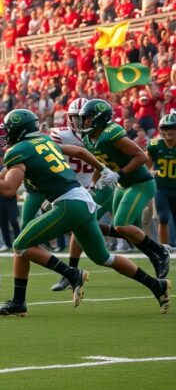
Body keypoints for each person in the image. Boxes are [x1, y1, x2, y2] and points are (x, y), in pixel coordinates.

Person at [0, 109, 170, 316]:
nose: (5, 134)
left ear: (19, 130)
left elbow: (8, 190)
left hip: (69, 204)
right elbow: (79, 152)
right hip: (81, 201)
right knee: (103, 257)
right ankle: (156, 285)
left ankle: (71, 274)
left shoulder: (18, 150)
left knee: (21, 245)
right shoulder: (44, 141)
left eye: (8, 130)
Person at [79, 99, 170, 279]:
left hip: (140, 183)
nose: (84, 122)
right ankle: (154, 257)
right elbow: (100, 162)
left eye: (87, 118)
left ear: (99, 118)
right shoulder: (89, 138)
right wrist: (93, 184)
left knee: (122, 225)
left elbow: (141, 157)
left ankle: (161, 251)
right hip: (122, 185)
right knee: (121, 228)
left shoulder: (111, 133)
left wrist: (119, 174)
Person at [45, 98, 114, 291]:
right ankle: (151, 246)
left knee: (79, 227)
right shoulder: (60, 135)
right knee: (85, 229)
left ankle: (70, 273)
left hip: (98, 186)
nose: (81, 122)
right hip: (74, 190)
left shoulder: (101, 134)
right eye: (76, 117)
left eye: (84, 118)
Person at [147, 110, 176, 248]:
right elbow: (145, 166)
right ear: (161, 130)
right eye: (166, 128)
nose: (169, 131)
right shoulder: (154, 145)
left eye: (172, 128)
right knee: (163, 218)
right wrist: (151, 172)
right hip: (161, 188)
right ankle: (164, 248)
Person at [0, 151, 19, 251]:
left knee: (14, 221)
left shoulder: (9, 167)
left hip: (11, 199)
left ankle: (18, 243)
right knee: (3, 223)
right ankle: (7, 244)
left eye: (0, 157)